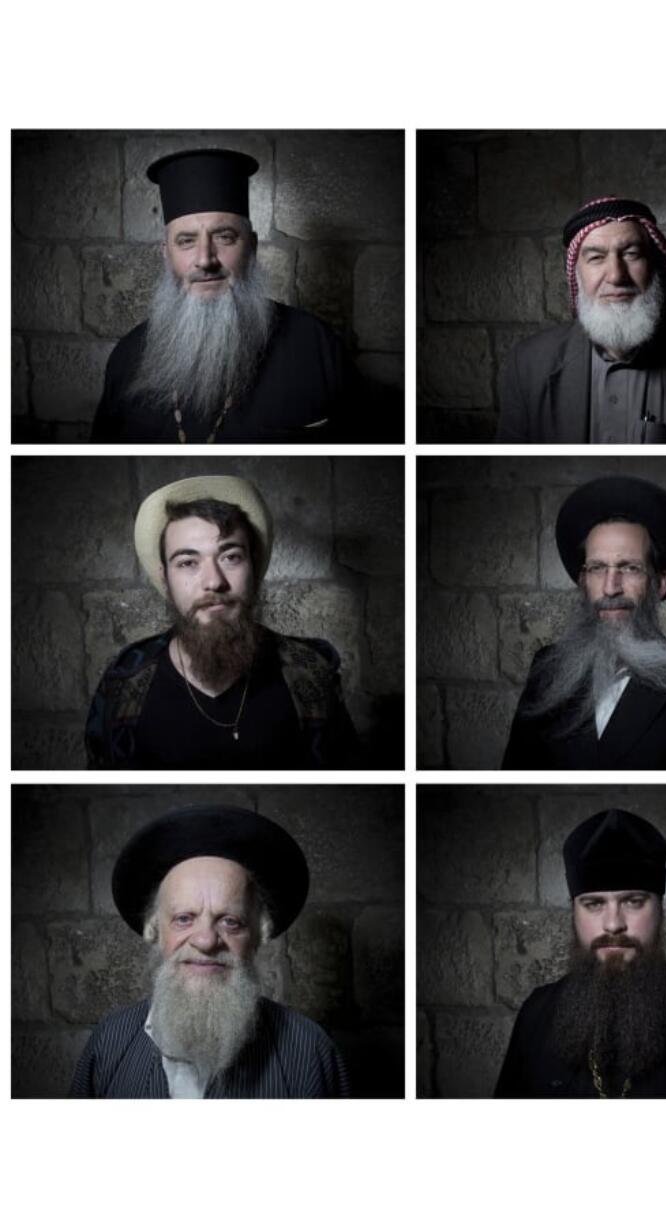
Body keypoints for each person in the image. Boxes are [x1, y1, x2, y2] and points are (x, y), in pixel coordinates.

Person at [71, 805, 349, 1098]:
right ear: (157, 932)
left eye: (230, 921)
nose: (205, 941)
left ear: (257, 935)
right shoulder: (110, 1041)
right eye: (184, 919)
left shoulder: (309, 1050)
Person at [91, 147, 366, 443]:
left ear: (252, 247)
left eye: (224, 237)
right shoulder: (127, 358)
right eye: (186, 241)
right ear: (167, 255)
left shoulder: (316, 346)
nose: (205, 259)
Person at [85, 474, 357, 768]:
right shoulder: (123, 681)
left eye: (231, 557)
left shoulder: (312, 672)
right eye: (188, 563)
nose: (213, 582)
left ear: (253, 567)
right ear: (166, 579)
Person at [495, 809, 666, 1097]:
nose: (613, 924)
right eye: (594, 904)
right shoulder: (536, 1014)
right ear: (573, 912)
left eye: (634, 901)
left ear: (660, 909)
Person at [502, 475, 666, 768]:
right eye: (597, 568)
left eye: (629, 568)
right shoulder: (547, 669)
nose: (610, 588)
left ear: (659, 584)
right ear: (583, 581)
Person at [496, 197, 666, 442]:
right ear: (576, 273)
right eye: (596, 258)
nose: (616, 275)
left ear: (654, 267)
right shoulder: (528, 365)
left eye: (632, 254)